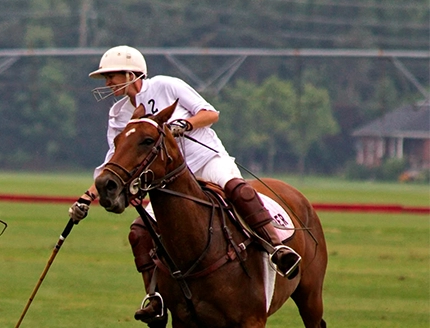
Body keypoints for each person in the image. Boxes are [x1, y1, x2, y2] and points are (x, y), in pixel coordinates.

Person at [68, 45, 301, 325]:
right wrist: (86, 197)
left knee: (237, 189)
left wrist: (184, 125)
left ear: (131, 73)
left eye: (111, 77)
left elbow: (210, 113)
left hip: (205, 160)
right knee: (139, 231)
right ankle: (155, 298)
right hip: (170, 179)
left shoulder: (166, 85)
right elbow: (114, 162)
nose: (107, 84)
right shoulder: (119, 115)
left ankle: (277, 248)